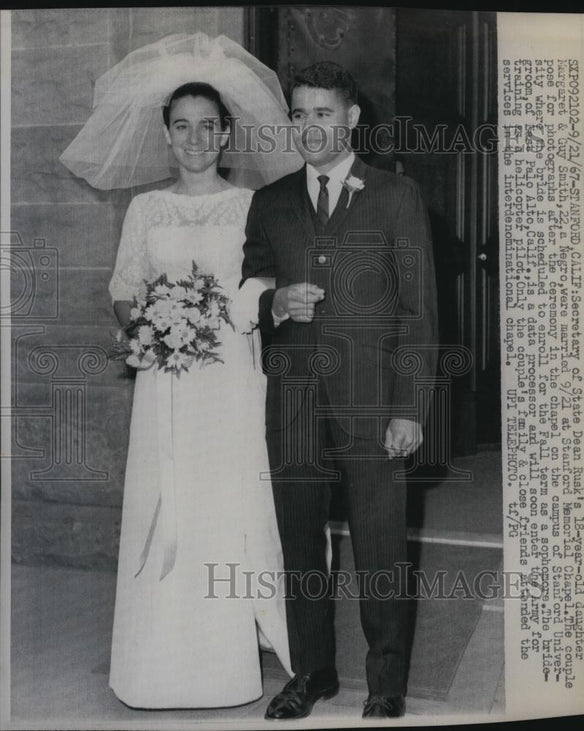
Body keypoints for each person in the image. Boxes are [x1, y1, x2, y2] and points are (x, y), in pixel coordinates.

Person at [60, 33, 303, 709]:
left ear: (226, 136)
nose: (195, 140)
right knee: (165, 499)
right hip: (167, 378)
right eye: (182, 128)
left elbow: (262, 284)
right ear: (166, 137)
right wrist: (148, 322)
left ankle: (225, 659)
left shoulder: (251, 204)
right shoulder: (146, 208)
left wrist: (222, 312)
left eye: (207, 128)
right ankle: (155, 662)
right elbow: (123, 284)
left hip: (229, 375)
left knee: (223, 502)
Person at [241, 61, 438, 719]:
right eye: (298, 113)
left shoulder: (395, 195)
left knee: (381, 545)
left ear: (351, 118)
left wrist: (410, 410)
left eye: (323, 112)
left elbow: (420, 313)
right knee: (300, 545)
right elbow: (252, 284)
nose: (309, 126)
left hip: (375, 403)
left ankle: (384, 683)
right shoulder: (269, 201)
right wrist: (275, 301)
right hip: (293, 404)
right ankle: (313, 672)